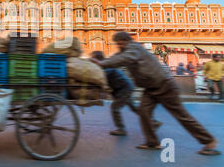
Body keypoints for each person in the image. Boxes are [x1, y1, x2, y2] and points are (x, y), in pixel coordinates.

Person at [90, 32, 220, 155]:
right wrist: (101, 63)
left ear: (124, 41)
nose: (118, 46)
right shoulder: (125, 51)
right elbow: (116, 58)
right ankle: (152, 142)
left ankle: (209, 142)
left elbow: (123, 59)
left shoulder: (134, 48)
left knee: (182, 116)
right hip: (150, 88)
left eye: (118, 43)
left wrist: (102, 63)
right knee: (143, 112)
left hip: (165, 86)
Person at [91, 51, 162, 136]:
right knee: (134, 108)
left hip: (125, 89)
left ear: (97, 59)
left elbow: (101, 77)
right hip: (125, 88)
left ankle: (121, 129)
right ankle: (154, 122)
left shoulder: (105, 67)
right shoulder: (104, 66)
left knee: (115, 108)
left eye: (93, 58)